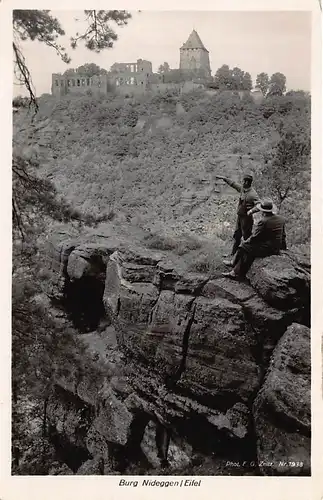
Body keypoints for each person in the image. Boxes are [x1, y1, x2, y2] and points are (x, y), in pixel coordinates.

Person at [222, 198, 287, 280]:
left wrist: (246, 242)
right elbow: (283, 235)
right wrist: (283, 247)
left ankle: (234, 271)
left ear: (262, 211)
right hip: (275, 247)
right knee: (247, 248)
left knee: (244, 247)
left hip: (268, 248)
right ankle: (234, 265)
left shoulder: (264, 221)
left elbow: (255, 236)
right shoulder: (281, 219)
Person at [215, 173, 260, 262]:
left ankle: (250, 255)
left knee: (247, 237)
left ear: (247, 182)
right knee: (237, 236)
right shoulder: (243, 189)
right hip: (240, 217)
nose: (242, 182)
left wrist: (252, 210)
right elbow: (233, 184)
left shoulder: (252, 194)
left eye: (244, 181)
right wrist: (224, 178)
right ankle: (233, 253)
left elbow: (259, 204)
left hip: (246, 219)